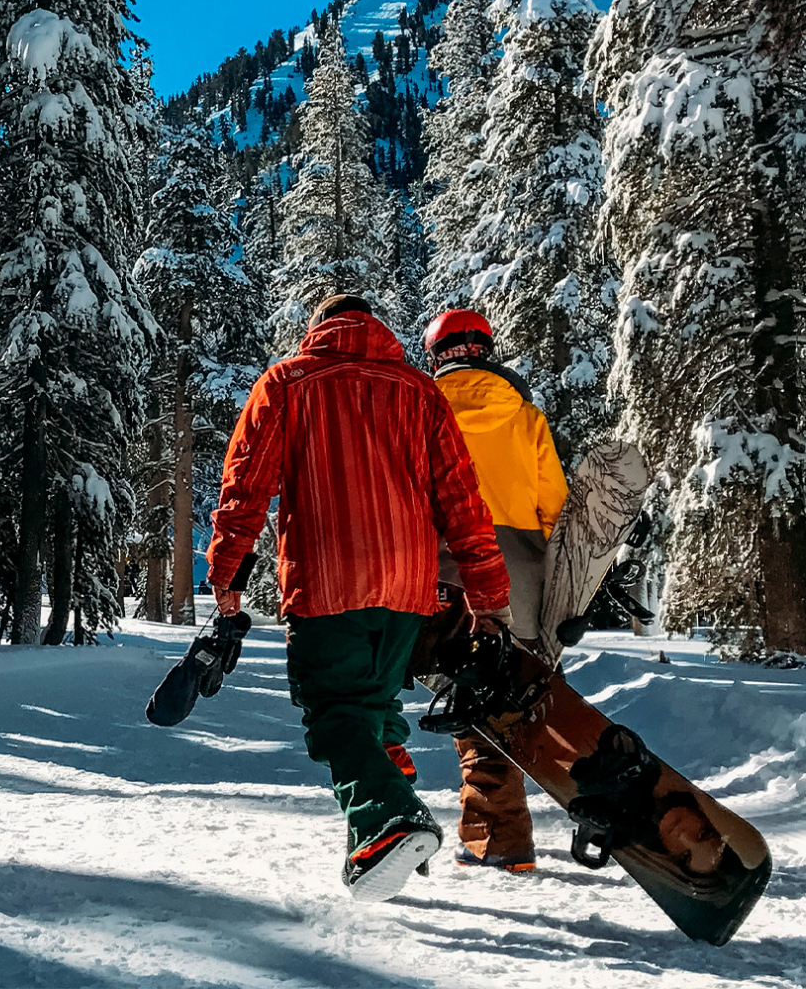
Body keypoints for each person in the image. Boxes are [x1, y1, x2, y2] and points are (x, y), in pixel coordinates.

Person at [204, 294, 512, 903]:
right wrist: (489, 596)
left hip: (326, 581)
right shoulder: (421, 392)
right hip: (407, 587)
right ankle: (382, 809)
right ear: (375, 330)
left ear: (319, 329)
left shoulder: (288, 382)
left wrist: (227, 579)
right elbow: (462, 501)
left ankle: (388, 823)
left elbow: (245, 488)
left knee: (334, 713)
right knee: (370, 706)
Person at [422, 309, 568, 873]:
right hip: (523, 578)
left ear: (435, 355)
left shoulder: (421, 410)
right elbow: (555, 508)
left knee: (473, 703)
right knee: (510, 698)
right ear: (487, 349)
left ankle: (499, 839)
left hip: (448, 571)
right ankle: (503, 829)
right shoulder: (525, 416)